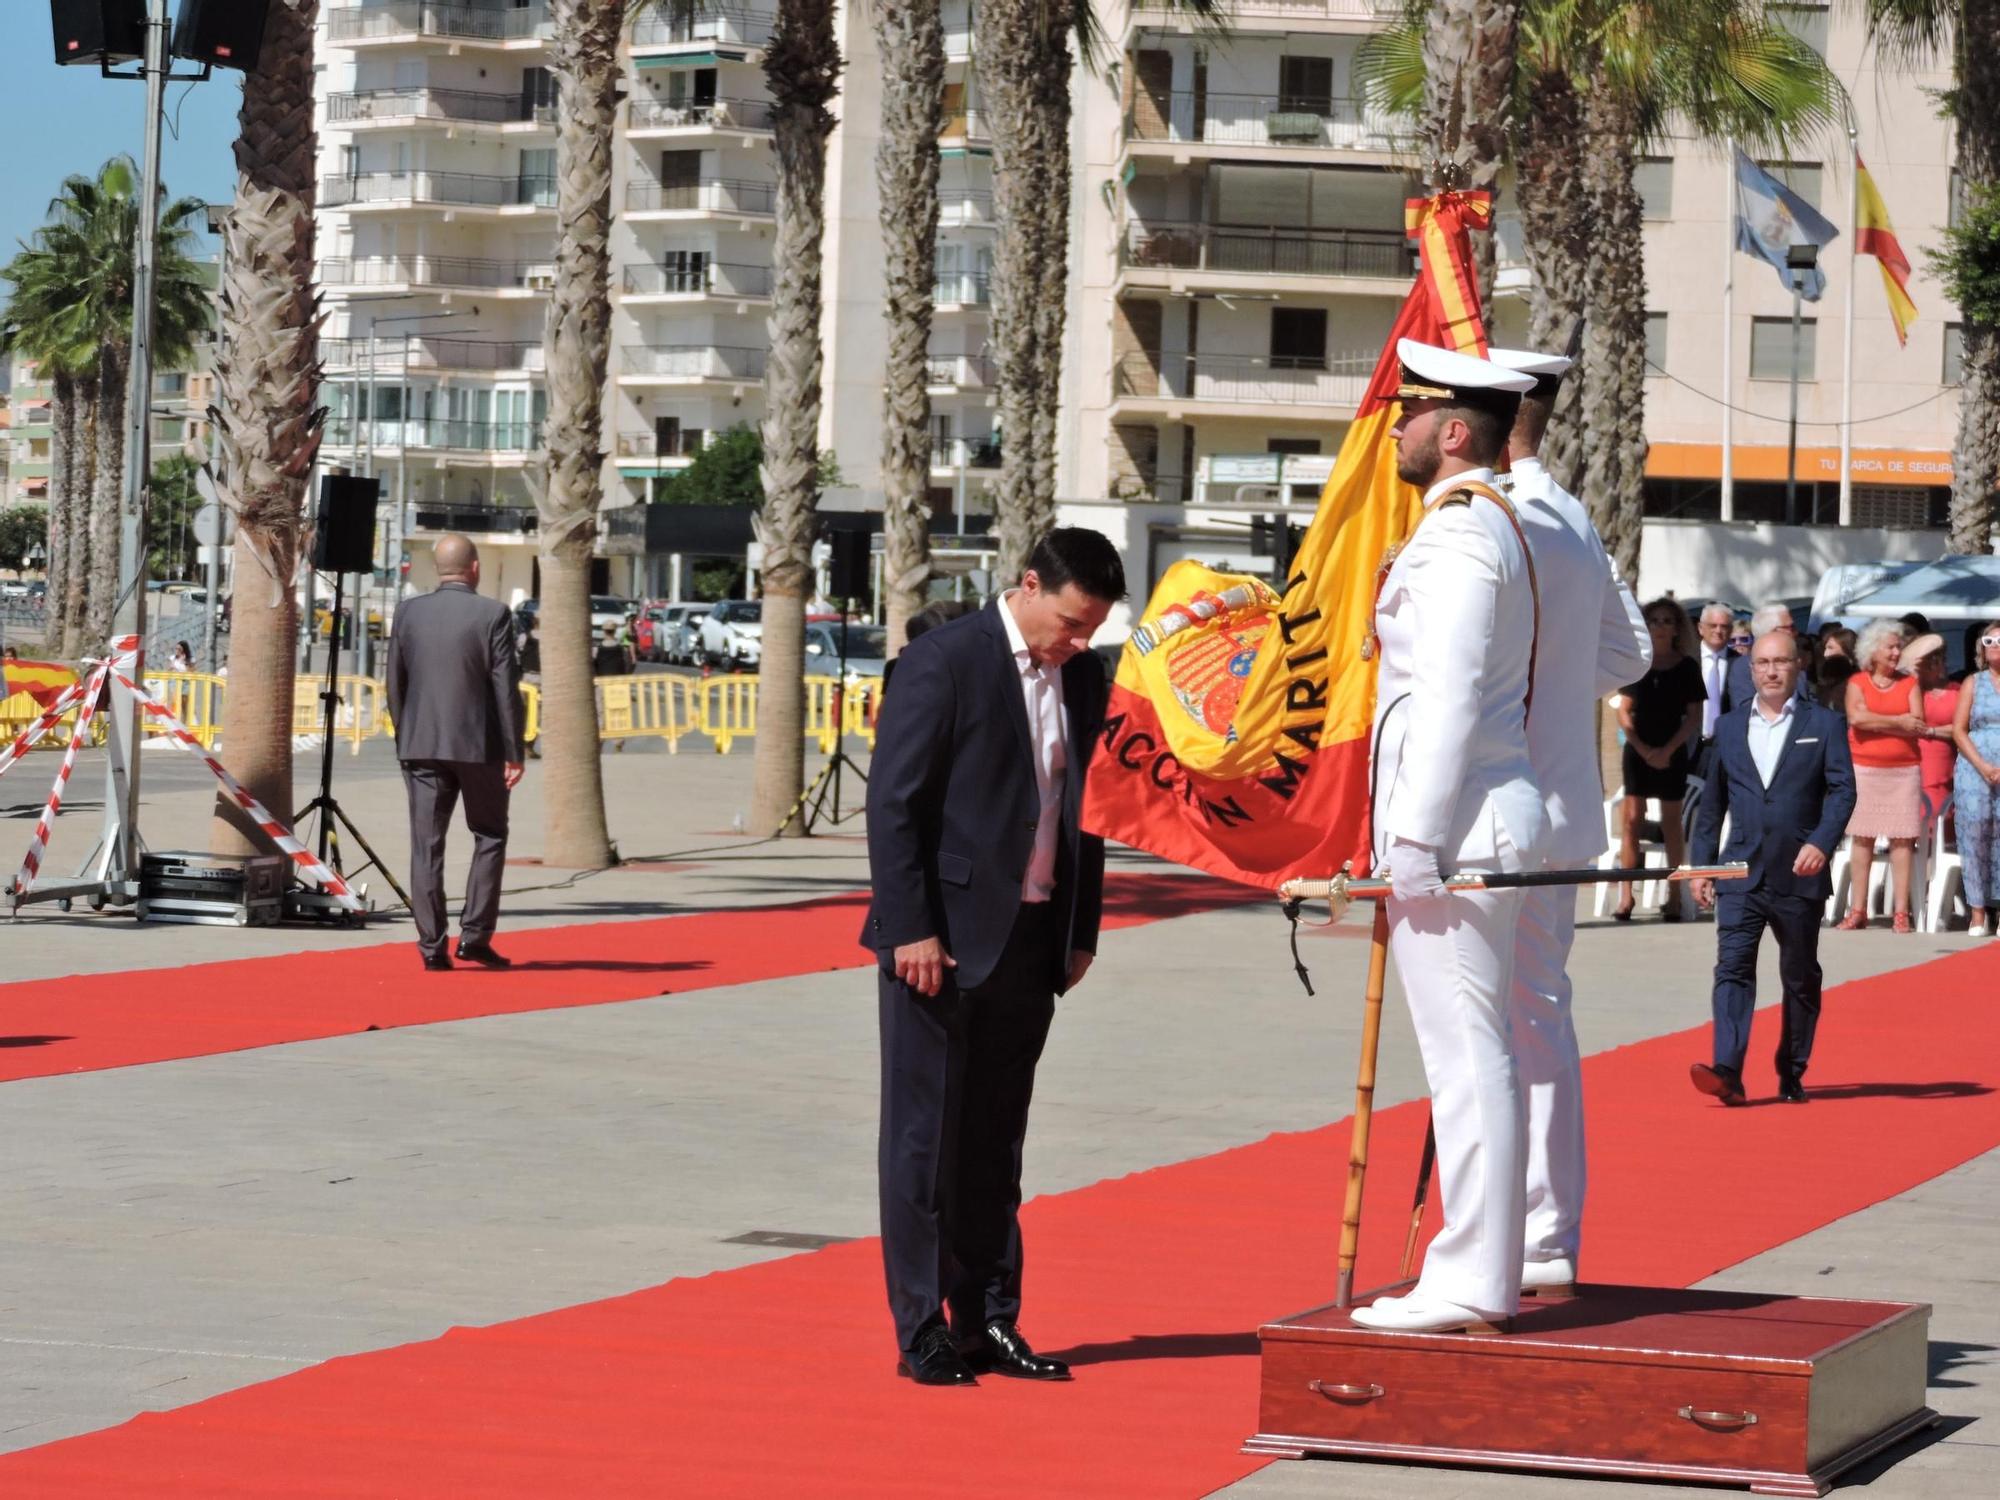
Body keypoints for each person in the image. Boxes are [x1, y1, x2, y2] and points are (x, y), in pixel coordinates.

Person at [864, 527, 1123, 1385]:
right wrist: (910, 927)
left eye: (1092, 629)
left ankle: (987, 1319)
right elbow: (893, 806)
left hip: (1032, 941)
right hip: (938, 943)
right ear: (1029, 585)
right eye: (1071, 623)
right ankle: (921, 1330)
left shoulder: (1082, 676)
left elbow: (1089, 809)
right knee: (921, 1143)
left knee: (994, 1144)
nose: (1079, 642)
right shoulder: (944, 662)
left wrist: (1080, 928)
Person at [1349, 339, 1547, 1335]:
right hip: (1469, 820)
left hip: (1459, 824)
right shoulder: (1466, 528)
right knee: (1475, 1053)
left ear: (1454, 430)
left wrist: (1412, 840)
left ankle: (1471, 1274)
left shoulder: (1464, 536)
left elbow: (1450, 700)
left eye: (1410, 411)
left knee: (1469, 1057)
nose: (1395, 425)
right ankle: (1478, 1269)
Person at [1492, 344, 1652, 1296]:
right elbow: (1628, 651)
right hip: (1557, 805)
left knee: (1485, 1030)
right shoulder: (1571, 514)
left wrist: (1529, 690)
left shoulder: (1496, 512)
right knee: (1540, 1019)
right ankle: (1546, 1233)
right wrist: (1557, 694)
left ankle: (1501, 1237)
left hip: (1493, 810)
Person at [1690, 632, 1856, 1104]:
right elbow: (1711, 807)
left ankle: (1792, 1068)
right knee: (1733, 968)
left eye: (1780, 661)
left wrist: (1822, 843)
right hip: (1740, 871)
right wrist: (1702, 868)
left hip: (1799, 872)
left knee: (1799, 973)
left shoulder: (1823, 724)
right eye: (1761, 662)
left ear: (1798, 664)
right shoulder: (1727, 727)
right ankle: (1728, 1070)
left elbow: (1843, 791)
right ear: (1749, 668)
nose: (1770, 671)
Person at [384, 534, 526, 972]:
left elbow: (394, 681)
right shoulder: (493, 614)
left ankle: (432, 946)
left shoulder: (409, 612)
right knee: (490, 834)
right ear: (476, 568)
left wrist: (405, 735)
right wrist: (514, 750)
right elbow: (505, 688)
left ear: (435, 568)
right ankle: (475, 937)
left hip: (420, 745)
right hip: (478, 745)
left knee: (426, 845)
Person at [1614, 599, 1704, 920]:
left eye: (1667, 621)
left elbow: (1694, 716)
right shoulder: (1636, 663)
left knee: (1671, 824)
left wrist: (1666, 751)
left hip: (1672, 749)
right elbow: (1623, 711)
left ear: (1677, 627)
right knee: (1631, 820)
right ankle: (1626, 894)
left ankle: (1676, 894)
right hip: (1637, 750)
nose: (1660, 626)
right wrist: (1641, 747)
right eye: (1654, 621)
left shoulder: (1687, 667)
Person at [1838, 621, 1925, 932]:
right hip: (1865, 769)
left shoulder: (1910, 683)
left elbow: (1917, 723)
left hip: (1903, 772)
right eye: (1889, 646)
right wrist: (1897, 721)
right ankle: (1858, 909)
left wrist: (1882, 722)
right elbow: (1856, 719)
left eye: (1897, 646)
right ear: (1872, 650)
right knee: (1862, 839)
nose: (1895, 651)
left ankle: (1901, 913)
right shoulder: (1857, 682)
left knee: (1903, 841)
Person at [1951, 621, 2000, 935]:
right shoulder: (1972, 682)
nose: (1995, 644)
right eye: (1990, 640)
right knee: (1975, 833)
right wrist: (1983, 766)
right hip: (1974, 766)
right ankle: (1978, 911)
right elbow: (1958, 729)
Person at [1904, 633, 1959, 830]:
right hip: (1912, 761)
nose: (1937, 665)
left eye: (1939, 660)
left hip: (1941, 763)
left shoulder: (1957, 690)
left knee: (1938, 817)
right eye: (1930, 661)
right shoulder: (1910, 690)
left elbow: (1962, 729)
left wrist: (1931, 731)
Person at [1691, 602, 1737, 777]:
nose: (1718, 631)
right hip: (1689, 747)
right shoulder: (1687, 661)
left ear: (1731, 630)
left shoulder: (1740, 664)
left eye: (1724, 626)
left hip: (1725, 748)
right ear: (1701, 628)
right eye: (1713, 625)